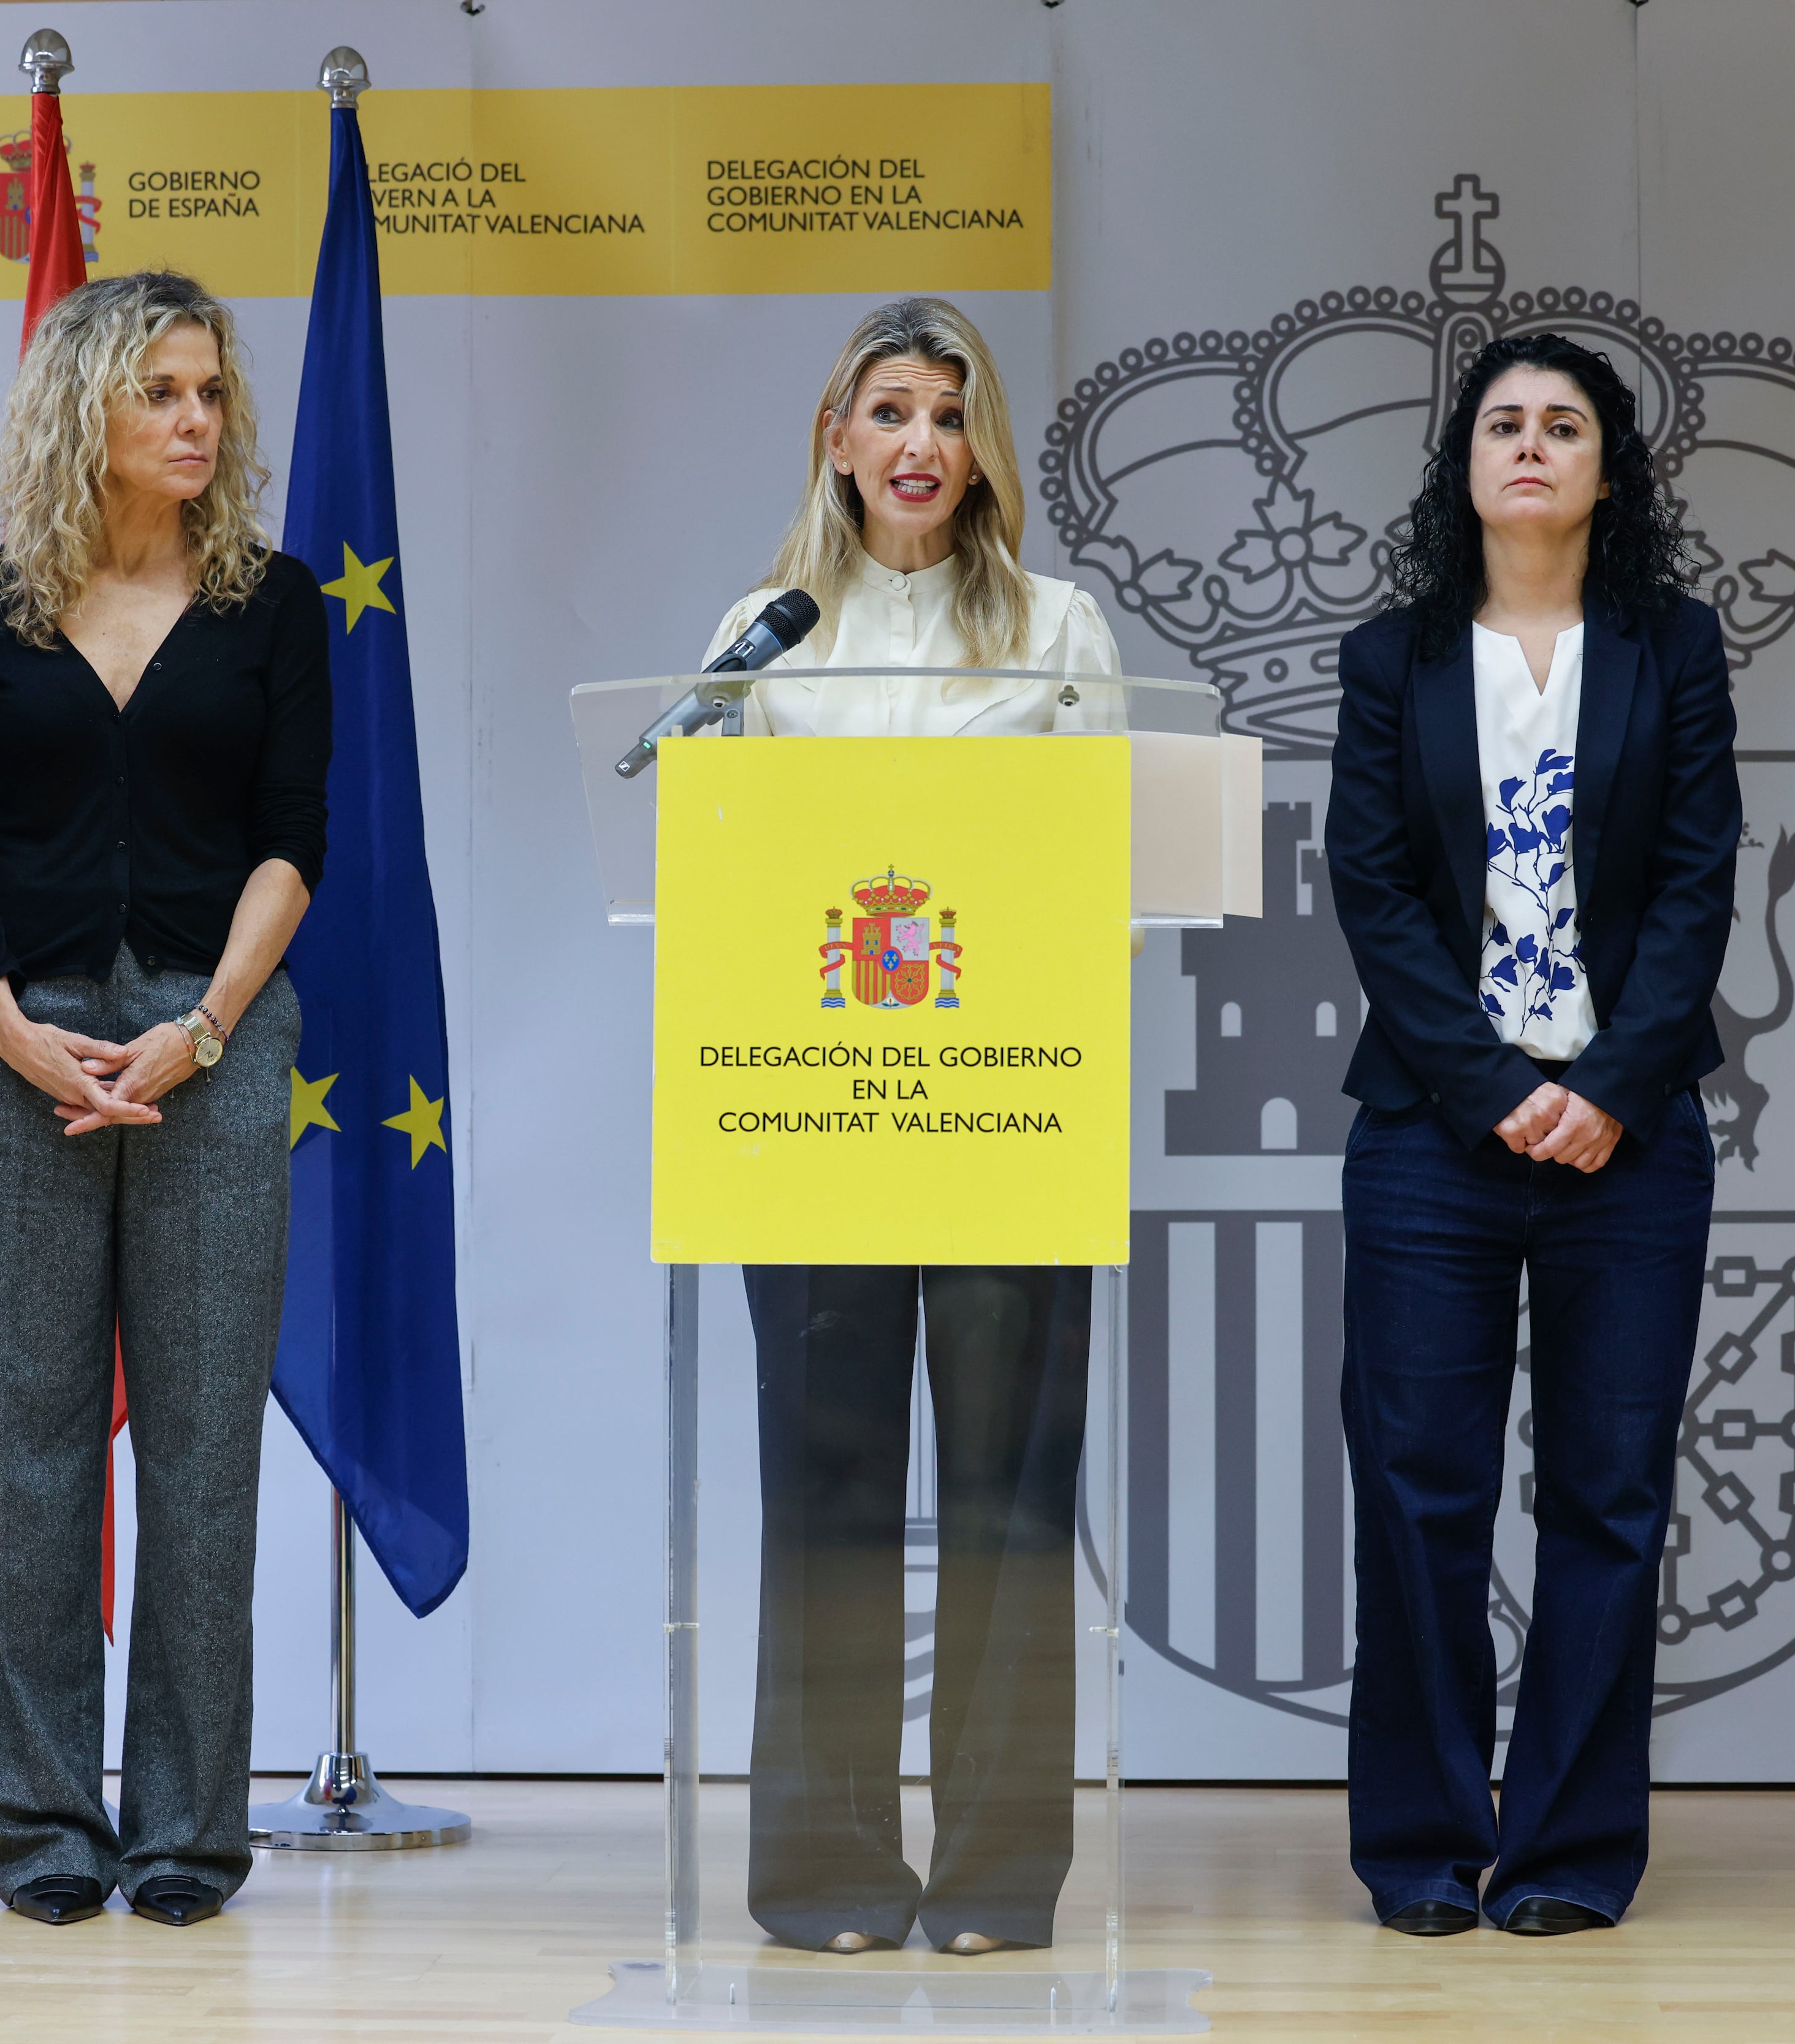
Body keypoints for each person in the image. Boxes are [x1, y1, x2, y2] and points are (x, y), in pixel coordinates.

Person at [702, 297, 1121, 1956]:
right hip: (812, 1122)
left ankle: (1001, 1875)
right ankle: (822, 1869)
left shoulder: (1059, 628)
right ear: (837, 438)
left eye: (951, 417)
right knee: (826, 1487)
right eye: (891, 412)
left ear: (982, 449)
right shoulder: (763, 636)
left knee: (1012, 1491)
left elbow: (1108, 872)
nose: (922, 446)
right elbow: (714, 876)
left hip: (1011, 1112)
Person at [0, 270, 330, 1929]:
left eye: (211, 394)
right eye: (163, 390)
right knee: (24, 1458)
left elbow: (298, 840)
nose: (196, 421)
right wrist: (8, 1018)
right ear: (86, 405)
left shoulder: (274, 603)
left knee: (207, 1459)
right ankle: (38, 1828)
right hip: (19, 1045)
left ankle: (183, 1836)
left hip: (213, 1046)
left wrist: (205, 1028)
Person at [1324, 332, 1739, 1938]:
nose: (1531, 446)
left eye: (1564, 425)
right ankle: (1424, 1844)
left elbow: (1700, 876)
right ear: (1465, 465)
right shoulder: (1394, 659)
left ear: (1606, 472)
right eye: (1503, 423)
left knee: (1607, 1500)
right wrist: (1496, 1089)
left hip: (1630, 1141)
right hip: (1432, 1137)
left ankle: (1567, 1854)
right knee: (1421, 1495)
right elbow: (1371, 888)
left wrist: (1612, 1085)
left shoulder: (1673, 647)